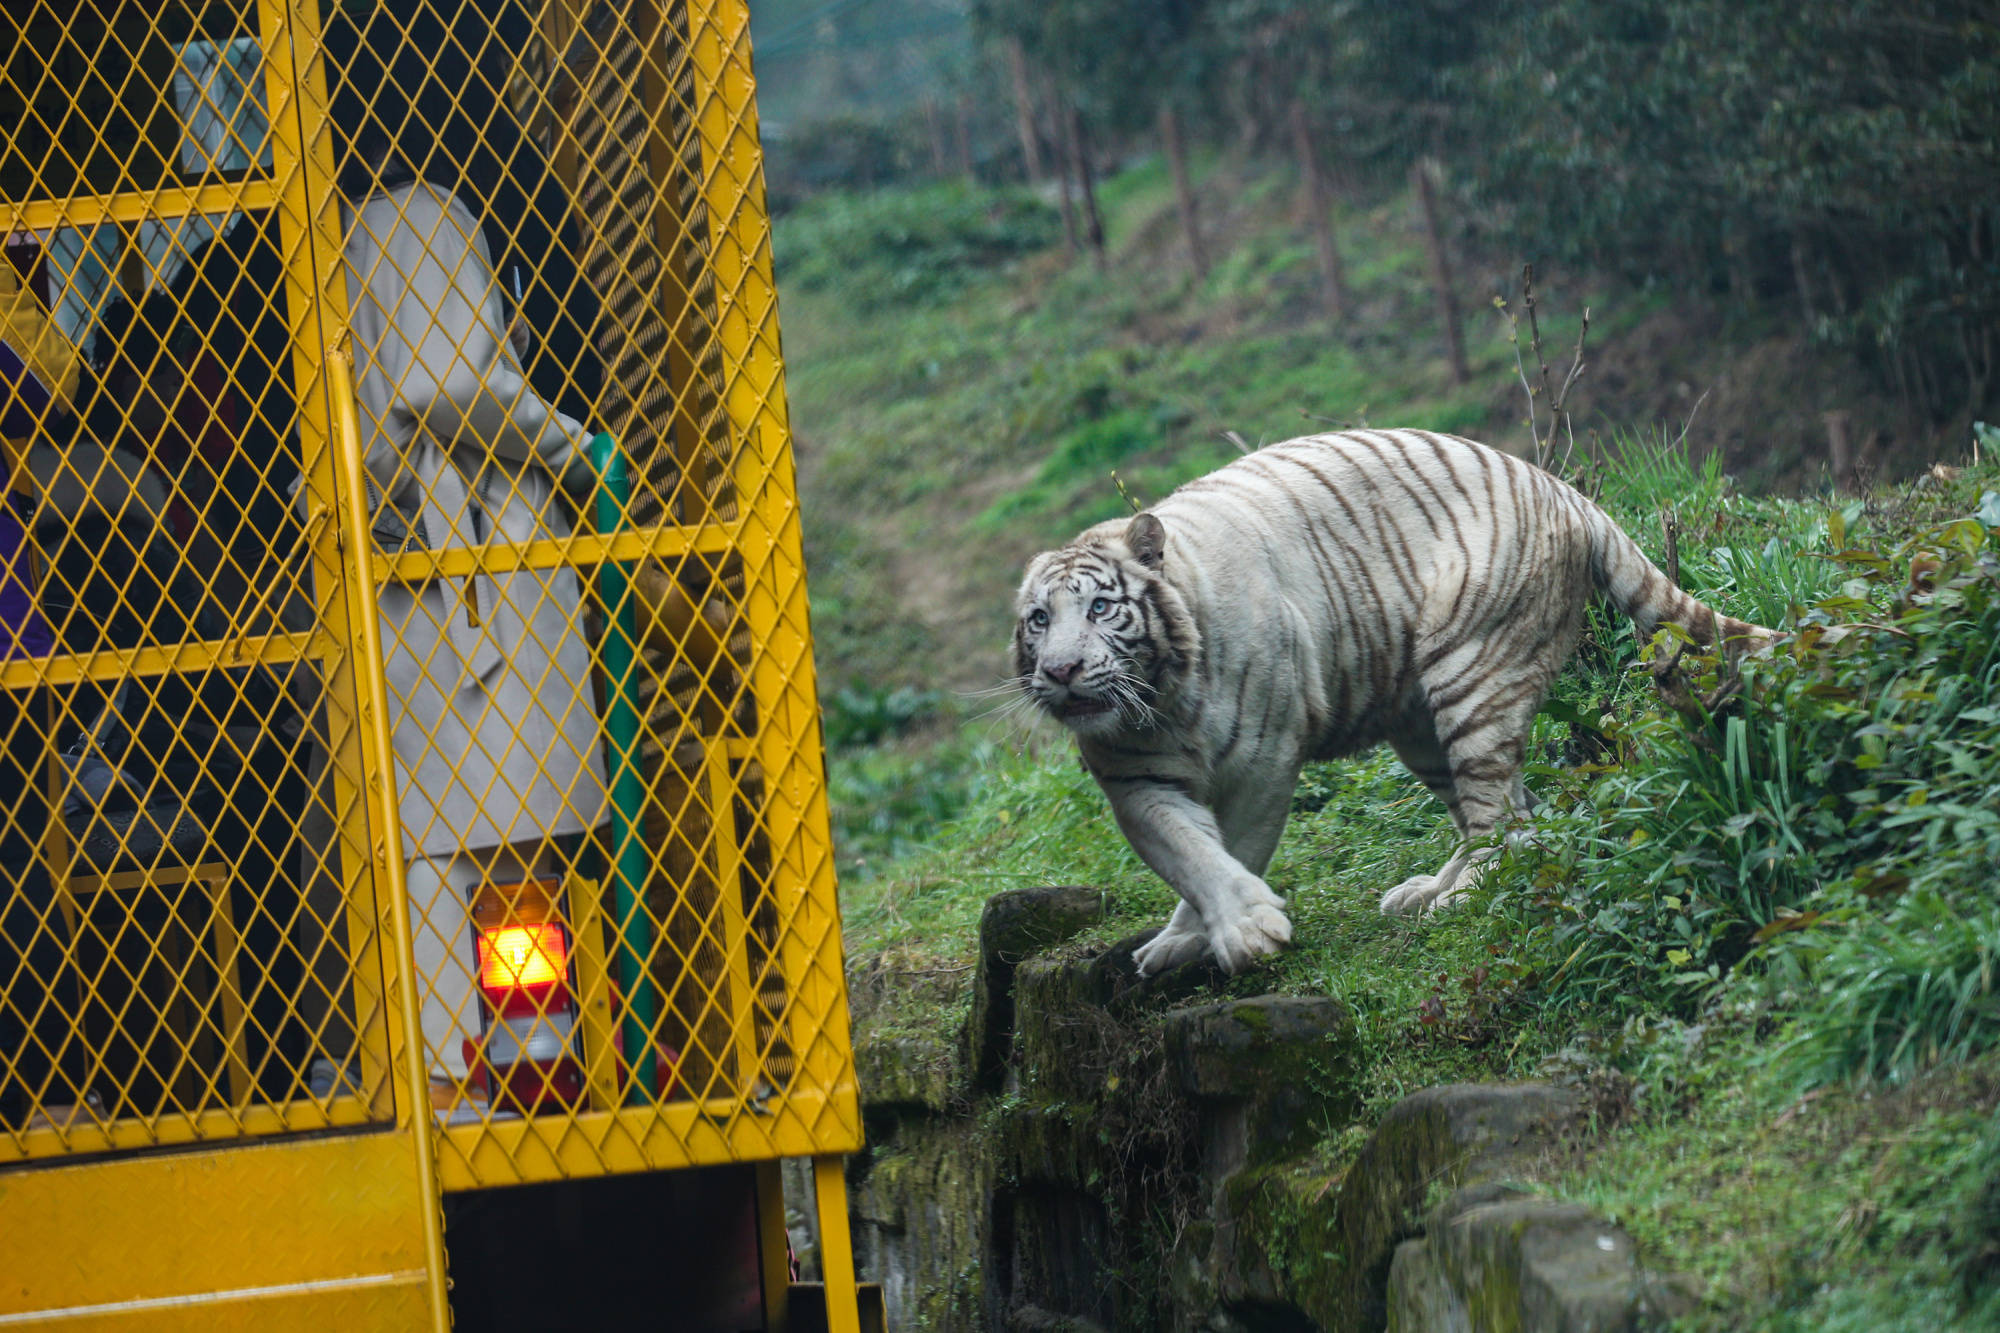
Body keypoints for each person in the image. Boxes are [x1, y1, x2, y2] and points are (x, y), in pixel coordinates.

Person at [321, 173, 609, 1107]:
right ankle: (493, 1085)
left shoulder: (341, 228)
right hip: (480, 572)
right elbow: (444, 382)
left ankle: (451, 1078)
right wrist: (576, 451)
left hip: (426, 580)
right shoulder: (423, 210)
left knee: (438, 853)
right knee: (501, 845)